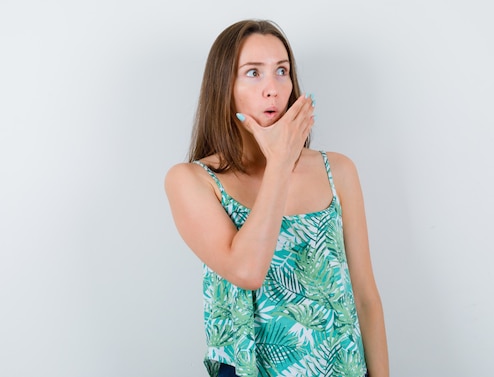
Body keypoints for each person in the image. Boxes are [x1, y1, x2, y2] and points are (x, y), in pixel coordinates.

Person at [164, 19, 389, 377]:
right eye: (253, 73)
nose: (273, 88)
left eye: (281, 71)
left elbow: (365, 296)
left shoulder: (339, 171)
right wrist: (281, 162)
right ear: (225, 86)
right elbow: (248, 270)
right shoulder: (192, 180)